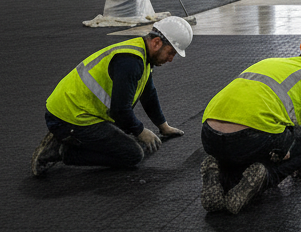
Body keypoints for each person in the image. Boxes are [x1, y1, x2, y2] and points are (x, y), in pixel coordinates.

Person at [199, 34, 301, 215]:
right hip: (248, 139)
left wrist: (294, 153)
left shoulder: (270, 63)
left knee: (245, 145)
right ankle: (263, 177)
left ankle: (221, 173)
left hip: (209, 136)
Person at [30, 16, 192, 177]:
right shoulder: (130, 62)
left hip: (78, 111)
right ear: (156, 43)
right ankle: (63, 150)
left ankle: (71, 138)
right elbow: (120, 110)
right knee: (133, 154)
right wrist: (141, 131)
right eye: (170, 53)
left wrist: (163, 126)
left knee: (131, 136)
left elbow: (148, 94)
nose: (171, 59)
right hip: (68, 117)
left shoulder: (142, 54)